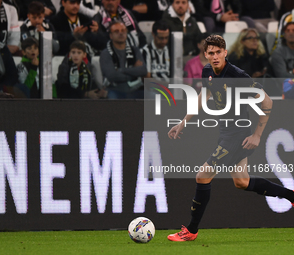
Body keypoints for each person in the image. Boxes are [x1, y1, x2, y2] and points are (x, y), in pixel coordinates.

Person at [167, 34, 294, 242]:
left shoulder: (237, 76)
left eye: (219, 52)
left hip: (238, 135)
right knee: (242, 182)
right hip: (226, 133)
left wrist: (257, 135)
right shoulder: (208, 71)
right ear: (205, 54)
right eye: (211, 53)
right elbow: (204, 96)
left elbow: (267, 102)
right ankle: (292, 196)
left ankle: (191, 230)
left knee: (202, 176)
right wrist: (183, 122)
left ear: (225, 52)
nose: (215, 56)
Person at [100, 21, 147, 99]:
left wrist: (121, 70)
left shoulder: (135, 50)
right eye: (116, 31)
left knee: (157, 97)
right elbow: (112, 76)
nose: (121, 33)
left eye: (123, 30)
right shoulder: (105, 53)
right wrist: (134, 71)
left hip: (136, 88)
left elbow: (143, 71)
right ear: (111, 36)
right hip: (115, 89)